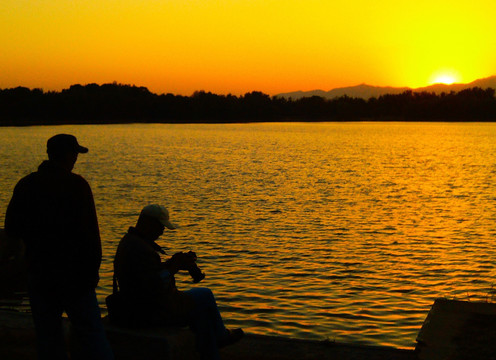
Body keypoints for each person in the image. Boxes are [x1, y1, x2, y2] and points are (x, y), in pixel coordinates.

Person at [4, 134, 114, 360]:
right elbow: (91, 236)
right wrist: (92, 273)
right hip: (75, 277)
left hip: (40, 274)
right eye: (74, 153)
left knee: (48, 338)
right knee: (92, 335)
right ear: (66, 155)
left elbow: (12, 231)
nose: (76, 158)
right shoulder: (77, 185)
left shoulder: (26, 185)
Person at [112, 204, 243, 360]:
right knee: (205, 296)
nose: (162, 231)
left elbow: (145, 274)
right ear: (149, 224)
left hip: (139, 305)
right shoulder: (140, 249)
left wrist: (170, 263)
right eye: (160, 227)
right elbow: (152, 285)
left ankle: (212, 348)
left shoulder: (130, 241)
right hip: (149, 310)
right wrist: (173, 268)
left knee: (201, 314)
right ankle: (220, 338)